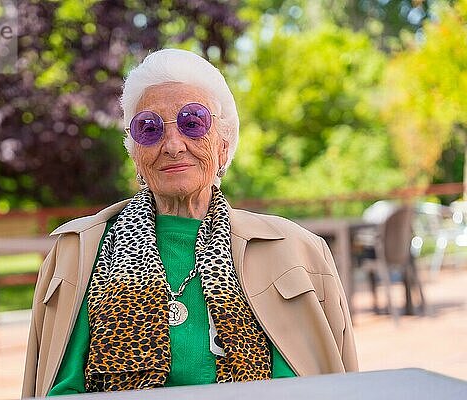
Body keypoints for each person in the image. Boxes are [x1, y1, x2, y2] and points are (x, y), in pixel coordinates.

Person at [22, 48, 358, 398]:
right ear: (135, 153)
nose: (172, 145)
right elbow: (62, 390)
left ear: (223, 145)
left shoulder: (298, 252)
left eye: (192, 122)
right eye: (149, 128)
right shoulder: (80, 253)